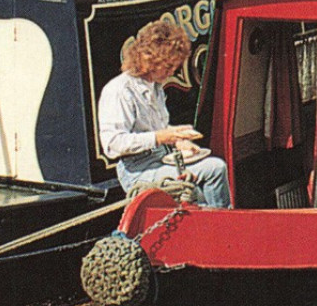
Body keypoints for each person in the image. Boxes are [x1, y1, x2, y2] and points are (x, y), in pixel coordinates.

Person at [97, 19, 230, 208]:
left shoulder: (155, 86)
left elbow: (156, 129)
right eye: (168, 67)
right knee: (215, 169)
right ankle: (223, 225)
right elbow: (112, 145)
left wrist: (179, 140)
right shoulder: (119, 91)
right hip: (138, 172)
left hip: (160, 160)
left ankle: (215, 223)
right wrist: (162, 137)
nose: (171, 72)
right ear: (149, 60)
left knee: (201, 193)